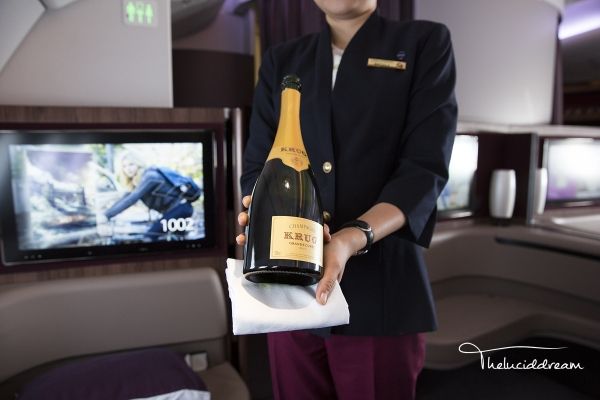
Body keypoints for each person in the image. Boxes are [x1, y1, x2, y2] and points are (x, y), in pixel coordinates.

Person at [237, 1, 457, 398]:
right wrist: (259, 216)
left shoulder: (424, 43)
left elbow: (423, 171)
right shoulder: (282, 60)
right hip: (289, 285)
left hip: (380, 293)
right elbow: (258, 166)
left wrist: (351, 237)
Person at [99, 152, 199, 240]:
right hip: (178, 210)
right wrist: (106, 214)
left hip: (180, 209)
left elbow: (132, 199)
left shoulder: (150, 177)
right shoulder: (138, 180)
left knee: (149, 236)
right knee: (178, 240)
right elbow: (126, 197)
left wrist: (107, 216)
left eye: (131, 164)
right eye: (124, 166)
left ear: (138, 164)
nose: (127, 169)